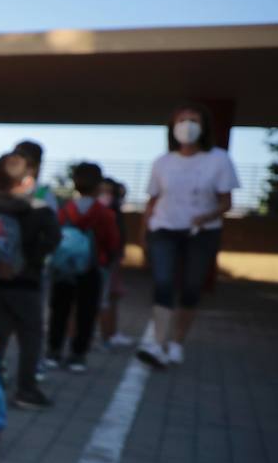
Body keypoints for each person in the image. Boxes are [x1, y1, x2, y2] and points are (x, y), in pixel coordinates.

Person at [136, 103, 240, 368]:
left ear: (204, 127)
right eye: (181, 120)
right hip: (164, 229)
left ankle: (176, 343)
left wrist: (205, 217)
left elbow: (226, 202)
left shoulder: (219, 159)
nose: (187, 125)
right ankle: (158, 342)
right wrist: (144, 233)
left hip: (201, 233)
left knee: (192, 287)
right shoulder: (163, 162)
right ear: (172, 127)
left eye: (193, 120)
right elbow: (152, 200)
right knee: (163, 283)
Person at [0, 153, 61, 409]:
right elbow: (53, 240)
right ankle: (26, 389)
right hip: (26, 283)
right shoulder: (40, 210)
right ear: (27, 180)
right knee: (30, 335)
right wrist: (33, 262)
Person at [46, 162, 120, 372]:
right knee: (86, 313)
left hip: (64, 268)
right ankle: (78, 355)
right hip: (92, 268)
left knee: (59, 310)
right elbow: (112, 242)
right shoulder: (104, 213)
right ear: (98, 185)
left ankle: (53, 351)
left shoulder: (65, 210)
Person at [97, 177, 133, 350]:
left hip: (109, 261)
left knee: (111, 297)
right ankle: (106, 337)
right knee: (104, 300)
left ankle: (109, 334)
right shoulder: (102, 213)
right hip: (103, 262)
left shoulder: (113, 213)